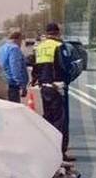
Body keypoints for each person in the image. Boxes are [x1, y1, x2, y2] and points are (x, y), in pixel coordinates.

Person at [30, 22, 81, 161]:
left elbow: (35, 67)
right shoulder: (59, 46)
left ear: (47, 33)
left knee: (48, 118)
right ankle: (59, 153)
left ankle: (48, 150)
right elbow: (65, 67)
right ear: (58, 33)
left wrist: (36, 80)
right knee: (60, 120)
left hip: (44, 87)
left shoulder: (39, 47)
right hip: (57, 87)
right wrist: (73, 72)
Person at [0, 29, 28, 103]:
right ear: (19, 39)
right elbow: (15, 67)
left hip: (2, 82)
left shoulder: (1, 48)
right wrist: (21, 84)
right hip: (12, 85)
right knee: (14, 111)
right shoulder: (14, 49)